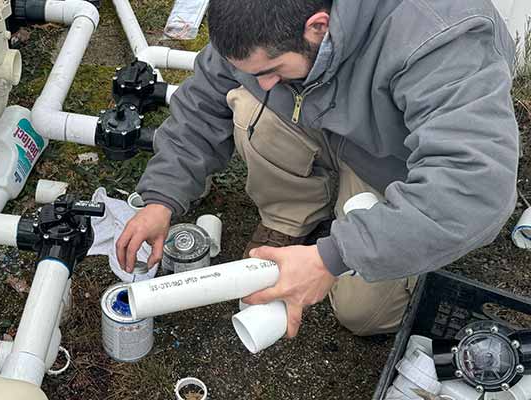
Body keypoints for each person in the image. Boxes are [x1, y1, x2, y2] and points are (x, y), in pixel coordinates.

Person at [116, 0, 520, 338]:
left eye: (272, 68)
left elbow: (475, 188)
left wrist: (335, 255)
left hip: (396, 158)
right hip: (325, 113)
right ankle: (292, 215)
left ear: (318, 27)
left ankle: (349, 229)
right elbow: (205, 97)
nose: (265, 82)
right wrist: (162, 198)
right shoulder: (259, 20)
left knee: (362, 314)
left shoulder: (439, 39)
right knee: (249, 102)